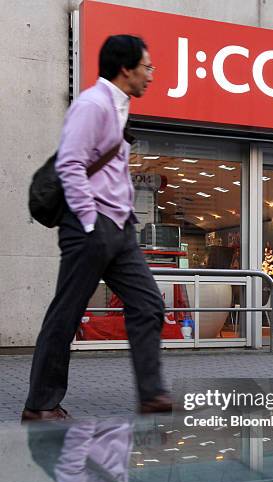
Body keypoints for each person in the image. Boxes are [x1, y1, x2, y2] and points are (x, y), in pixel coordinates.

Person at [22, 35, 171, 422]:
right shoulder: (92, 104)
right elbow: (71, 164)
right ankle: (40, 404)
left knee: (149, 305)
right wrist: (89, 221)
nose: (151, 76)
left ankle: (152, 395)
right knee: (66, 315)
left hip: (120, 228)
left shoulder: (120, 107)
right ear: (126, 69)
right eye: (148, 67)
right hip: (89, 226)